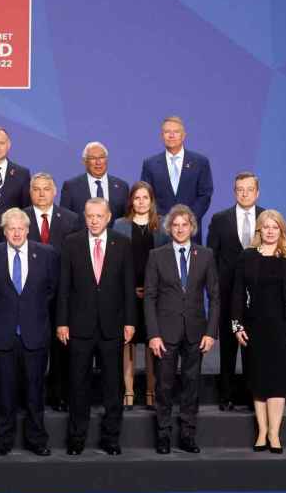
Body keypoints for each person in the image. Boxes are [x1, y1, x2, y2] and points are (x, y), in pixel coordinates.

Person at [0, 208, 58, 457]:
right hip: (3, 334)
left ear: (28, 229)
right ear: (4, 231)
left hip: (35, 333)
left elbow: (51, 291)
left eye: (21, 228)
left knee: (35, 392)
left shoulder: (46, 254)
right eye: (11, 228)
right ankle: (4, 440)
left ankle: (37, 439)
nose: (17, 233)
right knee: (5, 392)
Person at [57, 198, 135, 456]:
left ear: (109, 216)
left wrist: (130, 322)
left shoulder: (122, 243)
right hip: (79, 327)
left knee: (113, 386)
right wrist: (62, 322)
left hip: (112, 326)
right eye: (90, 215)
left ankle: (111, 438)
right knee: (78, 385)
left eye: (99, 216)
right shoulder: (71, 243)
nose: (94, 220)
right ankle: (76, 439)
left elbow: (127, 287)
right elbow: (64, 288)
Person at [145, 204, 220, 454]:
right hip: (165, 333)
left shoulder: (206, 255)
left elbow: (215, 297)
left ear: (192, 228)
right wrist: (153, 334)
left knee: (191, 384)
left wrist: (211, 332)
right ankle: (163, 435)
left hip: (196, 332)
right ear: (169, 228)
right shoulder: (157, 255)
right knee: (164, 386)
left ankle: (188, 434)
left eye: (184, 225)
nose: (179, 229)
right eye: (175, 225)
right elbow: (150, 298)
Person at [231, 210, 286, 454]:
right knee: (259, 381)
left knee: (277, 382)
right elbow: (238, 295)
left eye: (275, 227)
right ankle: (262, 431)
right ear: (259, 231)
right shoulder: (247, 257)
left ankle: (275, 433)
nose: (270, 231)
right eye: (266, 227)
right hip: (255, 327)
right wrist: (237, 325)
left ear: (281, 230)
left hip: (283, 327)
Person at [208, 172, 264, 412]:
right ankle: (226, 395)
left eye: (249, 189)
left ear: (257, 192)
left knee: (256, 347)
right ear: (234, 192)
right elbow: (210, 258)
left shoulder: (267, 218)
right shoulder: (220, 219)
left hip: (260, 296)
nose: (244, 193)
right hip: (228, 293)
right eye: (240, 189)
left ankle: (255, 395)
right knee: (229, 347)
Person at [112, 181, 168, 411]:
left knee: (152, 344)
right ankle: (128, 392)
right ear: (131, 201)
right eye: (137, 198)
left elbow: (167, 263)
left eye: (145, 198)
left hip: (155, 295)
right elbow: (115, 263)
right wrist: (130, 288)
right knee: (128, 343)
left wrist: (152, 289)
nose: (141, 202)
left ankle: (151, 393)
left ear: (152, 200)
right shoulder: (119, 225)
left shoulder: (163, 226)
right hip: (127, 293)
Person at [26, 172, 80, 412]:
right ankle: (31, 397)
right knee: (32, 351)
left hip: (61, 295)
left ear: (54, 191)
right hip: (29, 297)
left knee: (61, 351)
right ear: (30, 192)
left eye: (46, 188)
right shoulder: (20, 218)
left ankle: (59, 395)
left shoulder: (70, 219)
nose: (41, 193)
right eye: (36, 189)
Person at [140, 116, 213, 243]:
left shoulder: (200, 162)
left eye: (176, 132)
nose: (171, 135)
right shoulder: (150, 164)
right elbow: (146, 196)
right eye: (167, 132)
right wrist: (161, 220)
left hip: (190, 230)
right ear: (162, 136)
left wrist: (188, 220)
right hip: (160, 231)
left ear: (183, 135)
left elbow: (205, 195)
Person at [60, 142, 129, 221]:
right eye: (93, 158)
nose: (98, 162)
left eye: (101, 157)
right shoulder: (71, 187)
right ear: (84, 162)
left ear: (107, 160)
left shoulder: (122, 187)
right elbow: (64, 220)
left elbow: (126, 221)